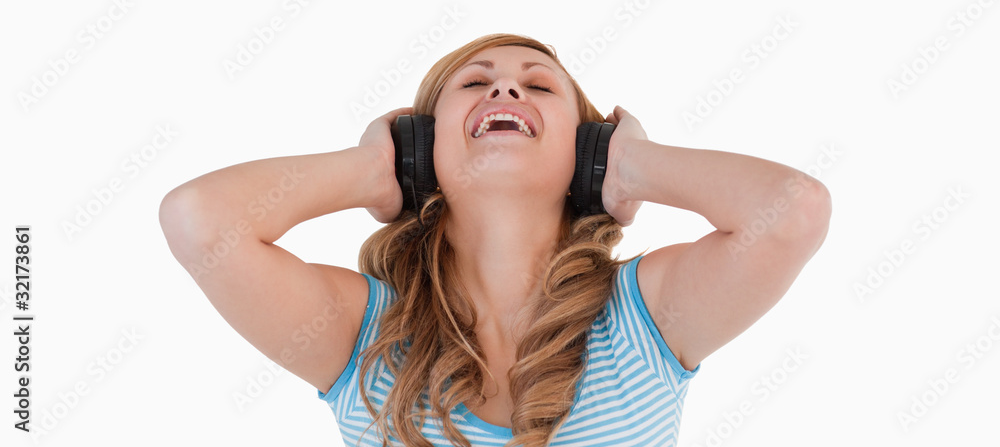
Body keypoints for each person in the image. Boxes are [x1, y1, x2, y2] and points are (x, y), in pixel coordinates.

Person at [159, 33, 831, 447]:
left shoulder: (646, 319)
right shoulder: (362, 338)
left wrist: (632, 168)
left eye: (538, 85)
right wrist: (370, 171)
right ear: (421, 149)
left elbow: (793, 212)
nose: (506, 86)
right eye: (475, 83)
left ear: (587, 154)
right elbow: (198, 220)